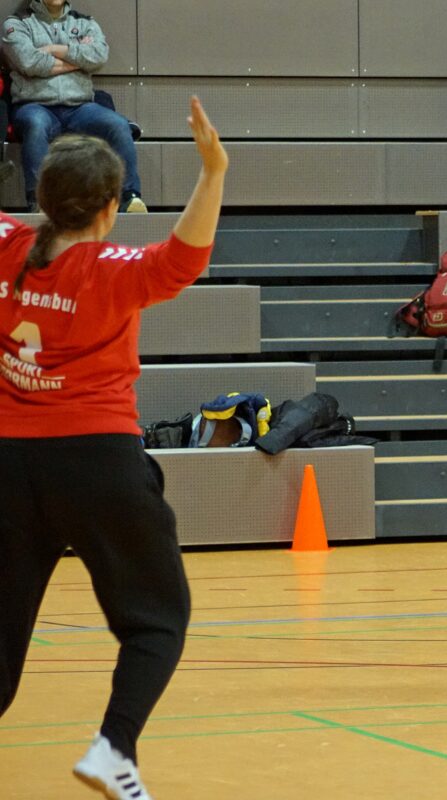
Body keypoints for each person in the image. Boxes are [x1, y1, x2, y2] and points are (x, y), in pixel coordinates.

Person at [0, 97, 226, 800]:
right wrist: (213, 169)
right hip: (97, 460)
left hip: (7, 465)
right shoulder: (117, 267)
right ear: (109, 208)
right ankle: (113, 747)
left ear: (41, 197)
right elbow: (186, 251)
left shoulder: (7, 244)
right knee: (157, 619)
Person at [2, 0, 146, 213]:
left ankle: (129, 197)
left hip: (80, 107)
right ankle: (39, 202)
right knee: (35, 124)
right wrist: (77, 60)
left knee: (117, 124)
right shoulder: (17, 23)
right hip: (35, 105)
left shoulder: (85, 23)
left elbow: (98, 55)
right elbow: (29, 62)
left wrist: (54, 49)